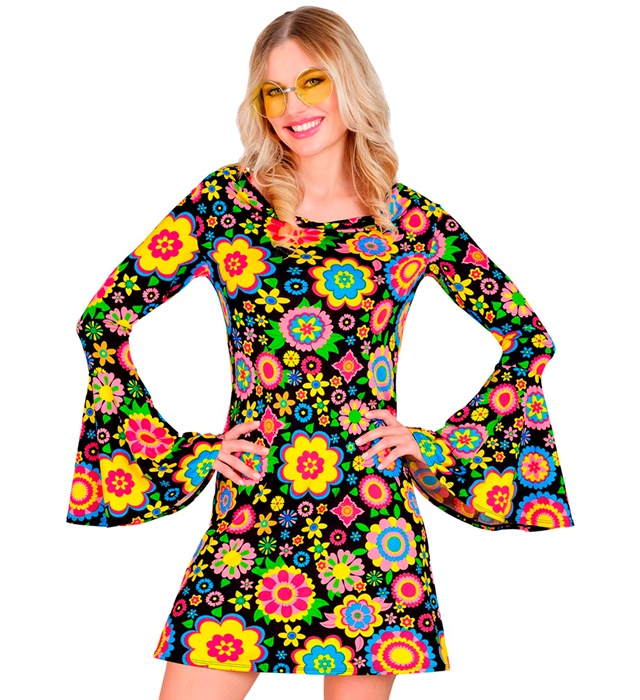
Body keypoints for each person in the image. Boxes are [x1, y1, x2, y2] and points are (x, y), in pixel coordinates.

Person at [66, 6, 575, 700]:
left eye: (312, 82)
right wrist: (190, 455)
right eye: (274, 92)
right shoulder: (224, 205)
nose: (293, 108)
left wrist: (434, 447)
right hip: (251, 514)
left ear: (349, 83)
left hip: (371, 523)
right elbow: (105, 319)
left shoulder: (409, 220)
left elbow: (527, 337)